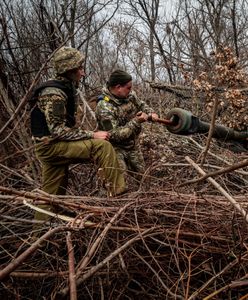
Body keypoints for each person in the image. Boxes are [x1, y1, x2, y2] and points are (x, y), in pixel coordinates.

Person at [30, 47, 126, 222]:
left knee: (49, 196)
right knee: (102, 147)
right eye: (79, 69)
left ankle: (38, 239)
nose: (83, 73)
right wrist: (92, 134)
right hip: (50, 147)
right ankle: (119, 198)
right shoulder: (54, 93)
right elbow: (58, 130)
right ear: (68, 70)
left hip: (47, 146)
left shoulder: (64, 87)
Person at [95, 69, 159, 177]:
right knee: (119, 181)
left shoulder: (129, 95)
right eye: (128, 88)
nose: (131, 90)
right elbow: (114, 135)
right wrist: (136, 121)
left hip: (132, 144)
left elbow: (141, 104)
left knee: (143, 177)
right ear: (118, 87)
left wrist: (151, 112)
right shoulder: (104, 107)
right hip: (114, 148)